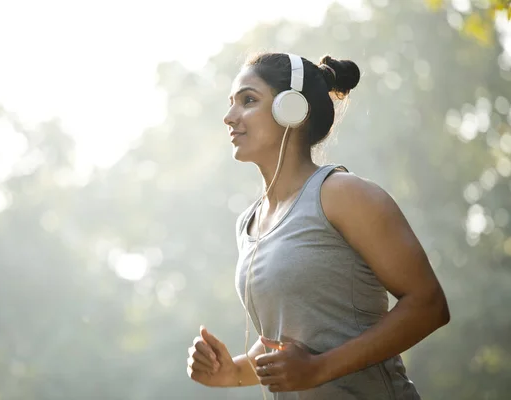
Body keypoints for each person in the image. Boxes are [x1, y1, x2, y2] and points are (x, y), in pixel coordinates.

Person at [186, 51, 450, 399]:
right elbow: (292, 343)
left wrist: (318, 369)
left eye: (248, 100)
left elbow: (428, 305)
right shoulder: (248, 224)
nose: (229, 117)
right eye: (231, 103)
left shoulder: (343, 194)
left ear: (290, 108)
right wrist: (231, 372)